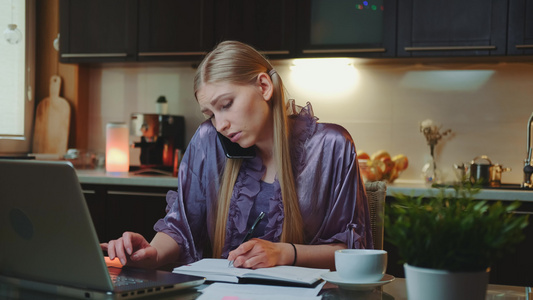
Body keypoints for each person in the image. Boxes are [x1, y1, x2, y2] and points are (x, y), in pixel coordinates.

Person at [102, 40, 372, 271]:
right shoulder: (209, 140)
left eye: (227, 105)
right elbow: (181, 227)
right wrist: (151, 253)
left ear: (264, 86)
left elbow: (351, 251)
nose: (220, 124)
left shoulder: (332, 145)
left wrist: (284, 253)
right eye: (211, 114)